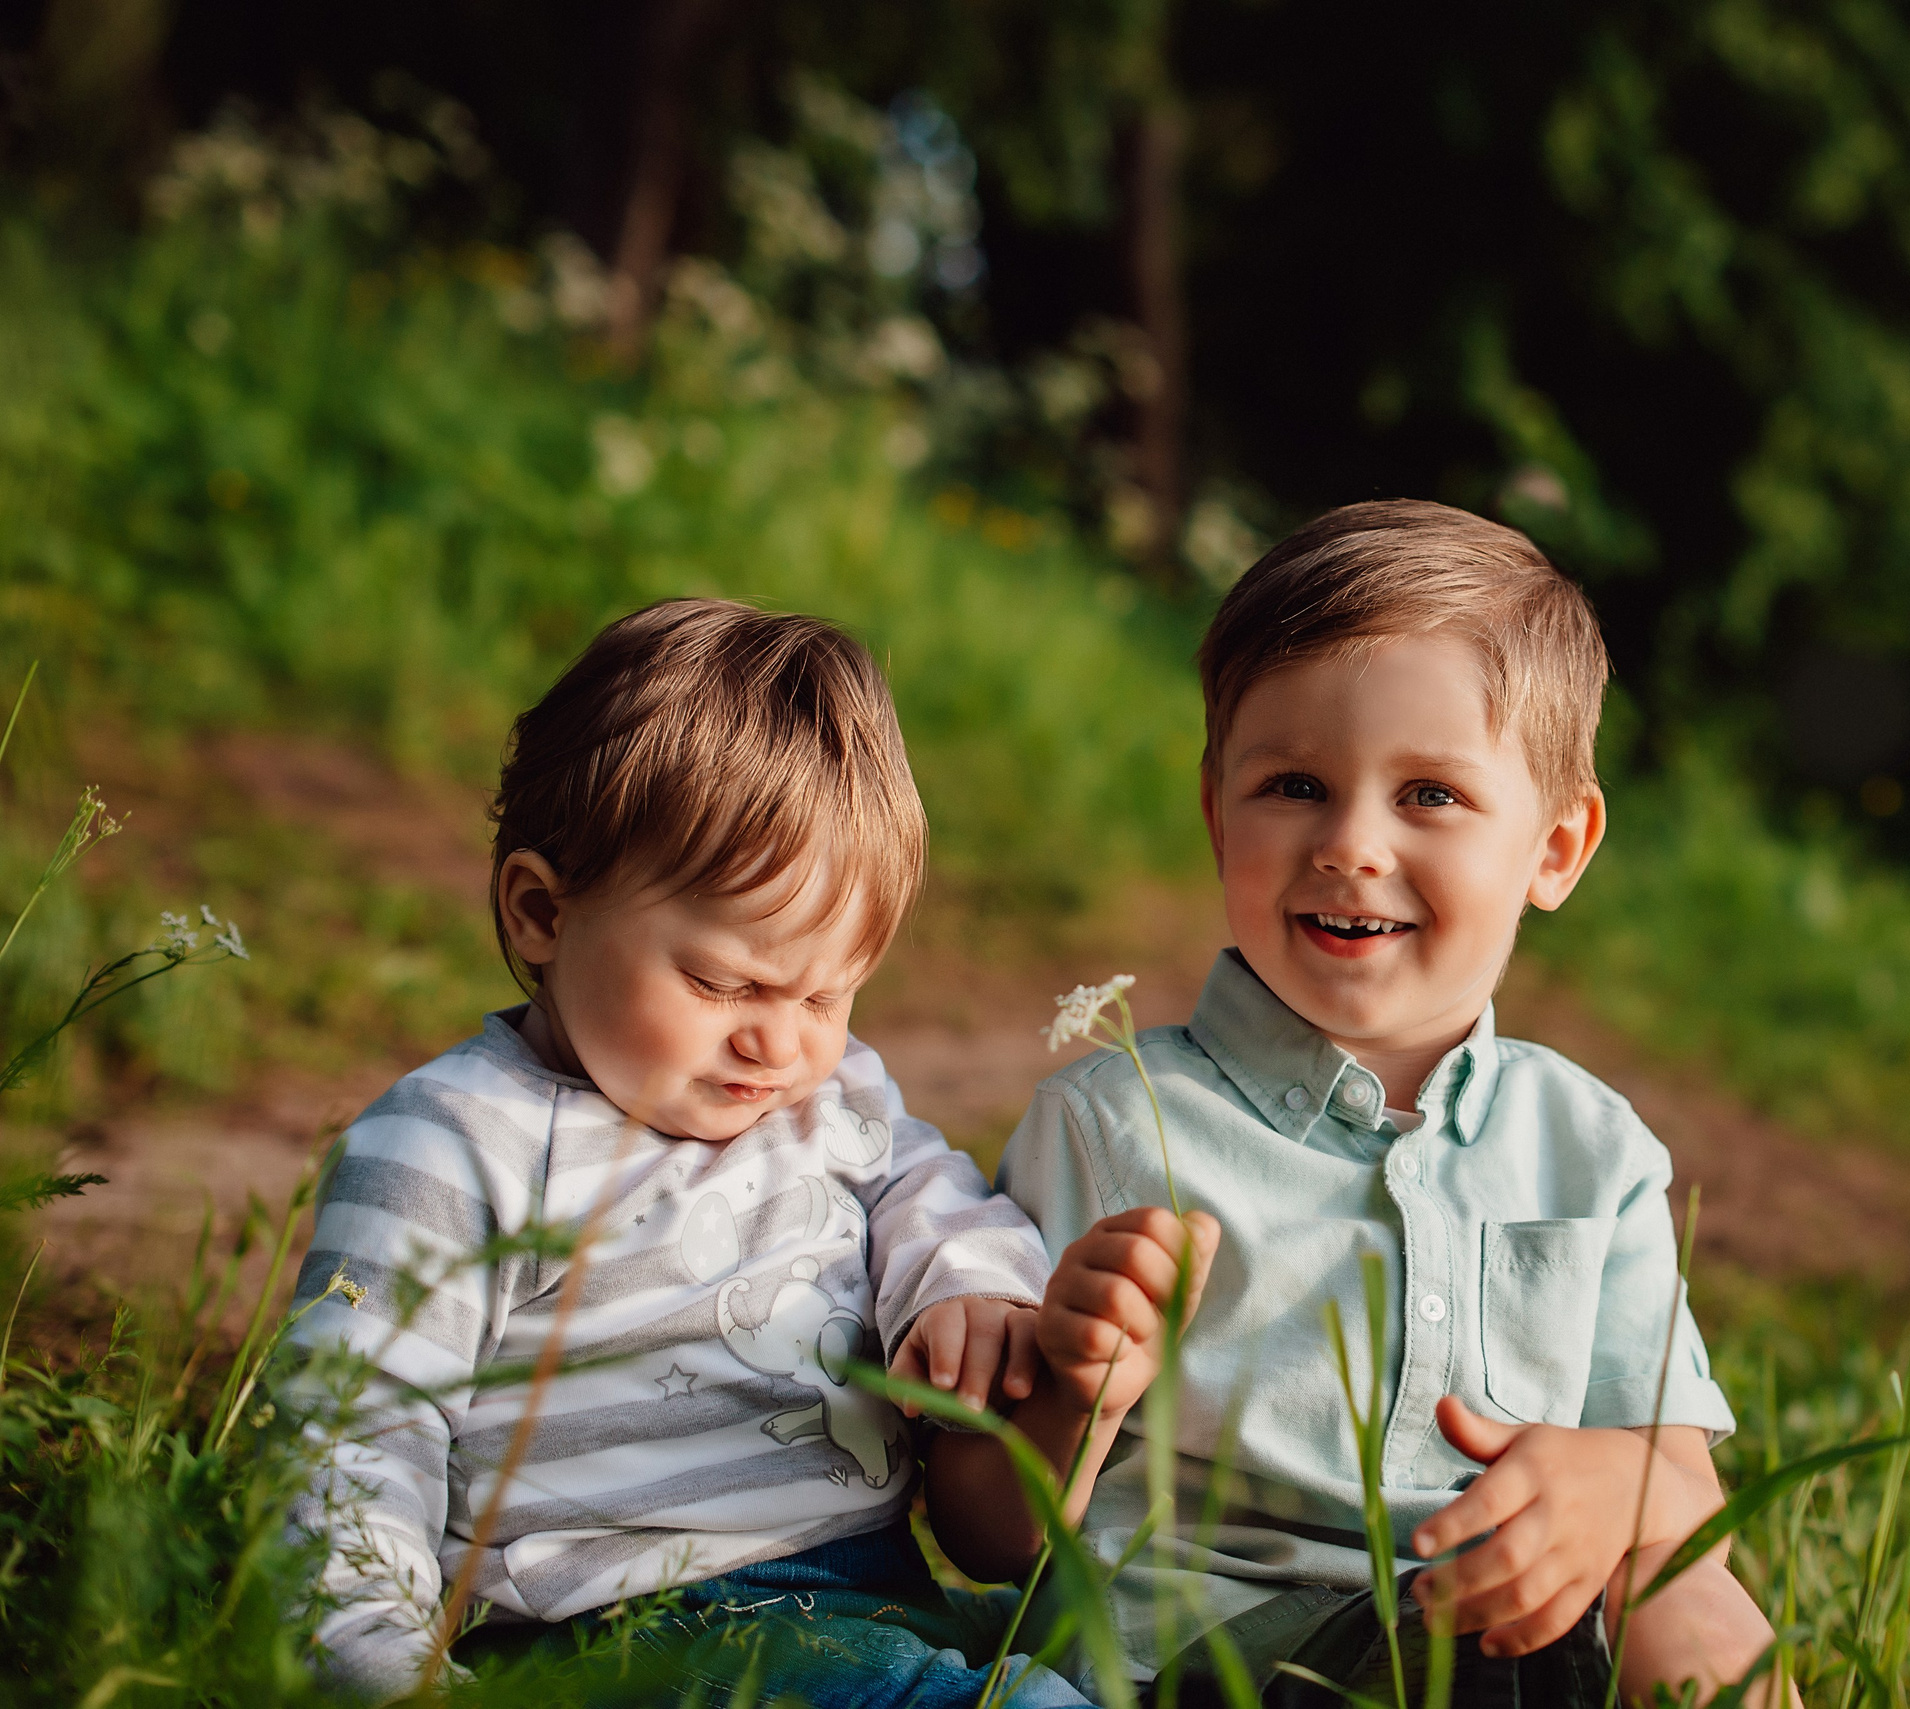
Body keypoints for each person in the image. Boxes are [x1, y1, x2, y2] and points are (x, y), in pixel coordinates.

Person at [283, 600, 1168, 1708]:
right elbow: (350, 1426)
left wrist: (972, 1288)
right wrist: (381, 1672)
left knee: (1136, 1637)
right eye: (720, 982)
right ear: (539, 912)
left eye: (825, 992)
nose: (777, 1038)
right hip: (632, 1631)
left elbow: (925, 1185)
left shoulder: (825, 1097)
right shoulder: (459, 1143)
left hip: (864, 1599)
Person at [1002, 501, 1781, 1707]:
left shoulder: (1591, 1150)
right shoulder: (1117, 1125)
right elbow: (986, 1531)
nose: (1351, 843)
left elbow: (1693, 1504)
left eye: (1430, 796)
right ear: (1218, 812)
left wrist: (1613, 1485)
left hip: (1500, 1627)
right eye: (1295, 784)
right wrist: (1069, 1386)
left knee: (1691, 1599)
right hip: (1195, 1662)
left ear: (1556, 847)